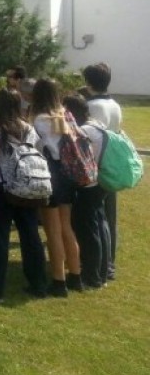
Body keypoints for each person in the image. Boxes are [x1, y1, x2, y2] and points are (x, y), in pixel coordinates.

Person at [0, 88, 48, 301]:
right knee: (30, 235)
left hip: (1, 188)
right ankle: (38, 282)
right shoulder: (29, 128)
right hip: (26, 187)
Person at [31, 78, 83, 296]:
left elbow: (37, 146)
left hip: (50, 175)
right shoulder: (66, 115)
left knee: (52, 230)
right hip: (68, 174)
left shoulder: (41, 120)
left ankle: (58, 280)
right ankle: (75, 276)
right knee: (66, 227)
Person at [62, 94, 111, 289]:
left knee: (89, 232)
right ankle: (102, 271)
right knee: (99, 225)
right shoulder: (98, 125)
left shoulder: (83, 131)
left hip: (87, 185)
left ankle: (92, 276)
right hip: (101, 182)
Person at [82, 62, 122, 281]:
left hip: (97, 165)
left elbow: (91, 137)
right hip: (111, 164)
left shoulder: (95, 106)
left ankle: (100, 264)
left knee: (97, 219)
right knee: (108, 217)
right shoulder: (115, 104)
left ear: (89, 82)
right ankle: (108, 263)